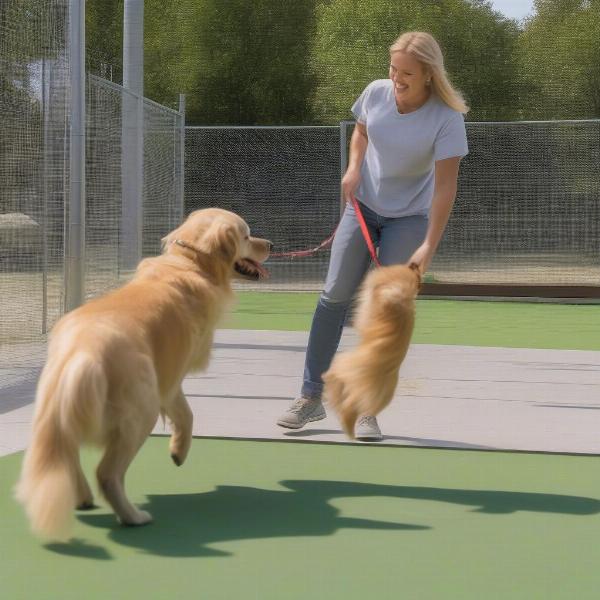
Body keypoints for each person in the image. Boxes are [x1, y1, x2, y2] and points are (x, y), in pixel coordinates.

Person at [276, 31, 469, 440]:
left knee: (387, 312)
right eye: (393, 69)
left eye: (407, 74)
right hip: (362, 207)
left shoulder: (446, 119)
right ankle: (310, 398)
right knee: (334, 295)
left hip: (410, 217)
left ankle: (367, 409)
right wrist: (354, 168)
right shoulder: (376, 93)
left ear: (430, 75)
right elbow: (361, 132)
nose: (396, 78)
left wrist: (428, 246)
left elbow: (445, 188)